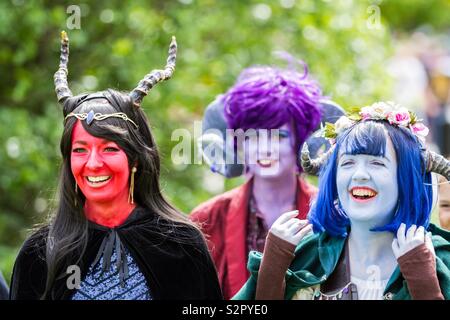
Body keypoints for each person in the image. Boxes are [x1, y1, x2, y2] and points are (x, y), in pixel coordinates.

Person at [9, 31, 222, 300]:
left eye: (109, 148)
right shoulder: (40, 253)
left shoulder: (178, 245)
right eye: (80, 150)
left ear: (135, 159)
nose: (93, 163)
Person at [235, 101, 450, 300]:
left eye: (377, 163)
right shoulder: (306, 255)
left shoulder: (440, 260)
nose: (359, 174)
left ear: (406, 179)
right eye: (347, 163)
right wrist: (271, 272)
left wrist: (425, 284)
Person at [190, 60, 330, 299]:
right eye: (253, 136)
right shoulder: (207, 220)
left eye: (280, 135)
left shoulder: (332, 212)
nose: (265, 148)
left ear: (301, 140)